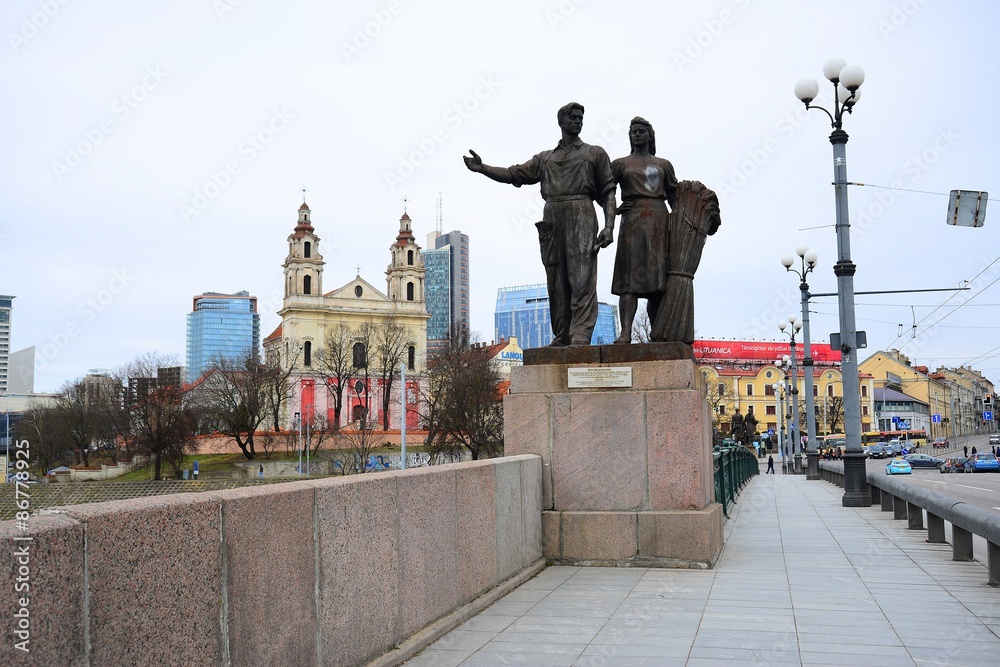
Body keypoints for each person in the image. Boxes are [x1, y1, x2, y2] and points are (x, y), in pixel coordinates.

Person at [464, 102, 616, 346]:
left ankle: (580, 332)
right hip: (553, 217)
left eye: (580, 118)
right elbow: (515, 174)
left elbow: (608, 192)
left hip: (582, 213)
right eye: (573, 117)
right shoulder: (545, 159)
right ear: (561, 122)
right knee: (555, 278)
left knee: (582, 276)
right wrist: (483, 168)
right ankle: (562, 333)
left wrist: (609, 226)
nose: (578, 121)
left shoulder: (594, 153)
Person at [609, 116, 677, 343]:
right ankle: (626, 332)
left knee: (658, 282)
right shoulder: (620, 164)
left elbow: (675, 197)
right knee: (628, 280)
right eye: (633, 132)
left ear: (650, 136)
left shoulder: (663, 165)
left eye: (641, 131)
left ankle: (658, 331)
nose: (636, 134)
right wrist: (615, 210)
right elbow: (604, 191)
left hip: (659, 221)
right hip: (632, 222)